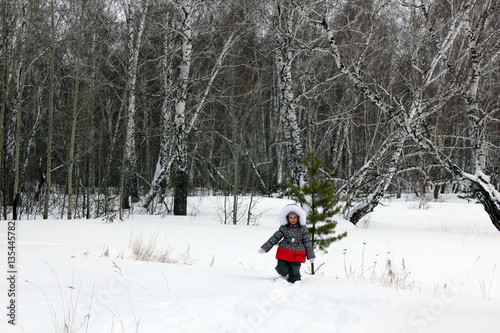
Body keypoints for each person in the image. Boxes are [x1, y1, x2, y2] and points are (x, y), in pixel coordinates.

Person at [258, 204, 315, 283]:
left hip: (297, 253)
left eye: (295, 217)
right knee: (281, 269)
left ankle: (295, 283)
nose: (293, 219)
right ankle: (285, 273)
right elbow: (275, 237)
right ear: (287, 218)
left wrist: (310, 255)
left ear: (298, 217)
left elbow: (307, 242)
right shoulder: (284, 227)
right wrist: (265, 247)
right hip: (285, 251)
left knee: (294, 274)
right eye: (290, 217)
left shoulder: (303, 228)